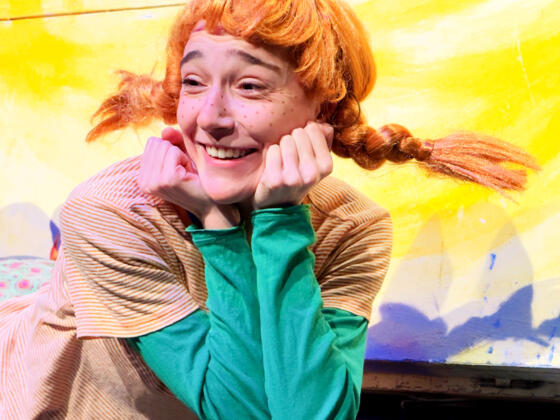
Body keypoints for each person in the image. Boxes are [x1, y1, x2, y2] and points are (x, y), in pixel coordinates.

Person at [0, 0, 538, 419]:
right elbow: (240, 411)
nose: (210, 117)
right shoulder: (110, 211)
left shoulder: (354, 227)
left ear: (323, 106)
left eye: (250, 86)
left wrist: (278, 223)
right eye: (193, 83)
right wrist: (219, 227)